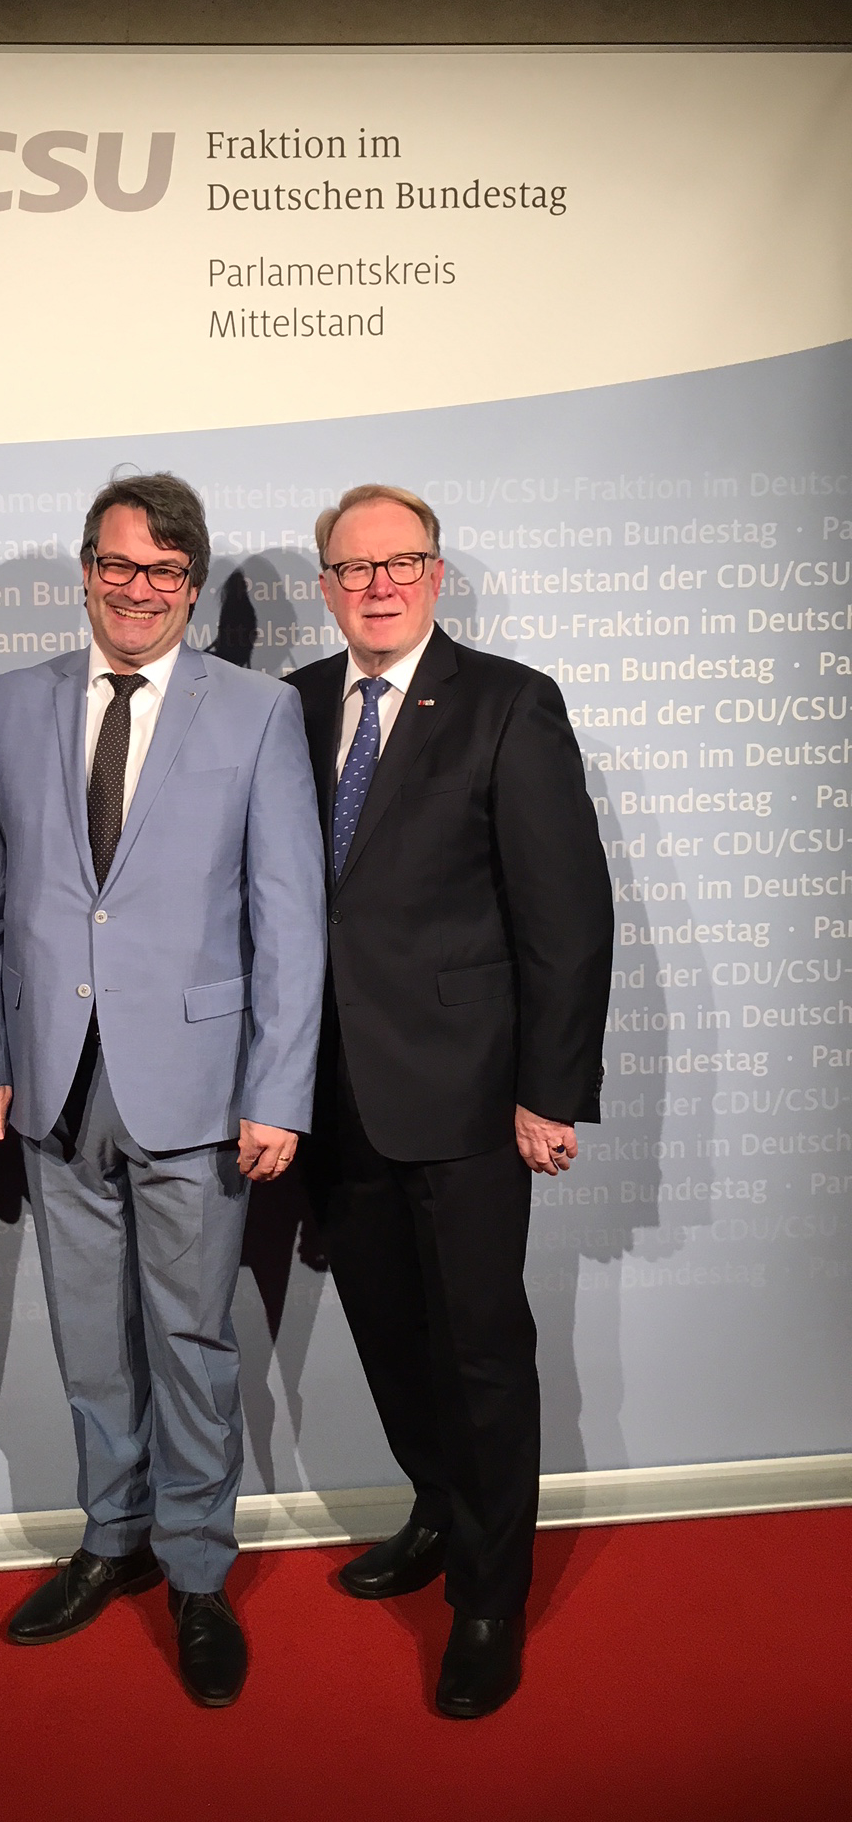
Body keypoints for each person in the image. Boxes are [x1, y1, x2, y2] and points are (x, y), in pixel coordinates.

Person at [0, 473, 325, 1709]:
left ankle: (198, 1569)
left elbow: (290, 919)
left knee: (192, 1340)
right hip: (55, 1084)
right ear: (87, 571)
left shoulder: (258, 713)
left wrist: (278, 1089)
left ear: (192, 585)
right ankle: (111, 1537)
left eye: (164, 571)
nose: (138, 589)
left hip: (202, 1090)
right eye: (117, 564)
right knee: (90, 1339)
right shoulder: (15, 703)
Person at [285, 483, 612, 1720]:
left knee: (480, 1348)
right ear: (326, 584)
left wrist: (548, 1092)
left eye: (400, 561)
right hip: (332, 1094)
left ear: (434, 573)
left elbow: (566, 915)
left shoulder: (509, 702)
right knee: (388, 1328)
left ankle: (489, 1595)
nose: (377, 585)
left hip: (470, 1096)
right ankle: (437, 1505)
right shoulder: (291, 705)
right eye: (353, 567)